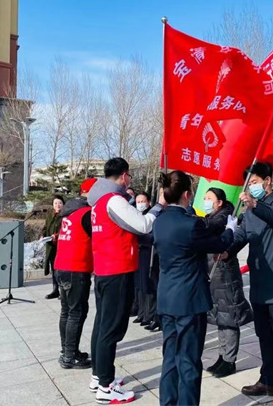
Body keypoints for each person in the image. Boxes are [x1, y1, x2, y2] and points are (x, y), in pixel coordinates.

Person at [224, 162, 273, 406]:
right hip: (259, 280)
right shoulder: (250, 211)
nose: (251, 187)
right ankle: (268, 380)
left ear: (268, 180)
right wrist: (225, 251)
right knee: (264, 334)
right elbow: (242, 236)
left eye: (254, 182)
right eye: (248, 184)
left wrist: (255, 205)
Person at [153, 171, 237, 406]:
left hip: (167, 298)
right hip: (189, 300)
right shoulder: (191, 224)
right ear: (187, 194)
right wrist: (230, 229)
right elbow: (218, 244)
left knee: (170, 358)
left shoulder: (159, 221)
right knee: (189, 361)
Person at [88, 157, 164, 404]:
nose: (129, 180)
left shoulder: (98, 202)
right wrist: (159, 206)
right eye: (129, 175)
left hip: (105, 270)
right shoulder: (114, 200)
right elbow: (142, 224)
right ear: (123, 175)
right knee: (111, 329)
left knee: (102, 325)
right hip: (117, 271)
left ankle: (99, 376)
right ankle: (106, 387)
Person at [202, 187, 253, 378]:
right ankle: (222, 356)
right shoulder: (211, 217)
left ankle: (229, 360)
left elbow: (234, 237)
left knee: (229, 315)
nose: (205, 201)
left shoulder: (224, 218)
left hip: (225, 272)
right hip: (212, 271)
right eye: (205, 198)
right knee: (219, 315)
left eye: (209, 198)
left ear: (220, 202)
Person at [54, 180, 95, 369]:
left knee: (66, 311)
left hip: (62, 266)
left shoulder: (70, 211)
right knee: (76, 312)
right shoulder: (87, 213)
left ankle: (67, 351)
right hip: (76, 267)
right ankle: (69, 356)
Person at [133, 192, 161, 331]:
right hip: (139, 252)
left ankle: (150, 314)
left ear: (149, 202)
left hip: (149, 252)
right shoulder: (135, 215)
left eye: (143, 201)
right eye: (138, 201)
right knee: (140, 284)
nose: (140, 204)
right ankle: (142, 313)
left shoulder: (152, 216)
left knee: (149, 283)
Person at [41, 194, 65, 299]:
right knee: (54, 268)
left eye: (60, 203)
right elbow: (46, 227)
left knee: (61, 269)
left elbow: (66, 229)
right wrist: (43, 235)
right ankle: (55, 290)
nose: (57, 205)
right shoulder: (50, 215)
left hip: (62, 246)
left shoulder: (65, 215)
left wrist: (57, 236)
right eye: (55, 203)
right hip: (51, 246)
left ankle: (63, 290)